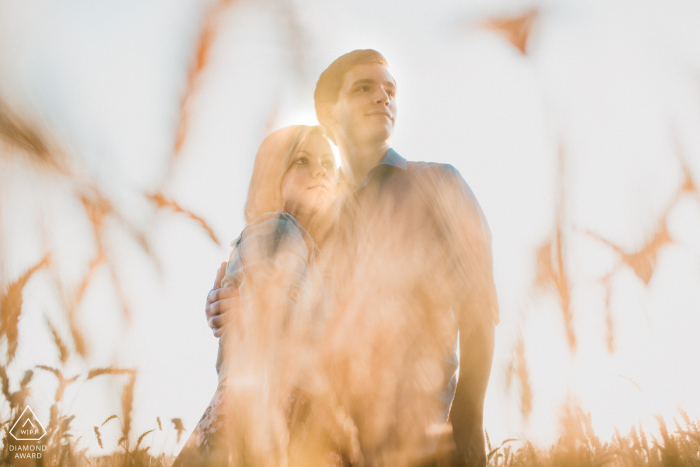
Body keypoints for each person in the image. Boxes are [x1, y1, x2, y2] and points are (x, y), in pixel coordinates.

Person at [206, 50, 499, 467]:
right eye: (364, 88)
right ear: (330, 111)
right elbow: (286, 298)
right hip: (330, 445)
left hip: (426, 434)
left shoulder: (438, 183)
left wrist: (468, 421)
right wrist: (233, 301)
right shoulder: (315, 220)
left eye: (390, 89)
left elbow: (479, 309)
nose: (383, 97)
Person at [176, 125, 351, 467]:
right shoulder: (279, 228)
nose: (320, 171)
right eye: (302, 160)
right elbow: (271, 318)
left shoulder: (317, 255)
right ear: (272, 176)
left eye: (329, 164)